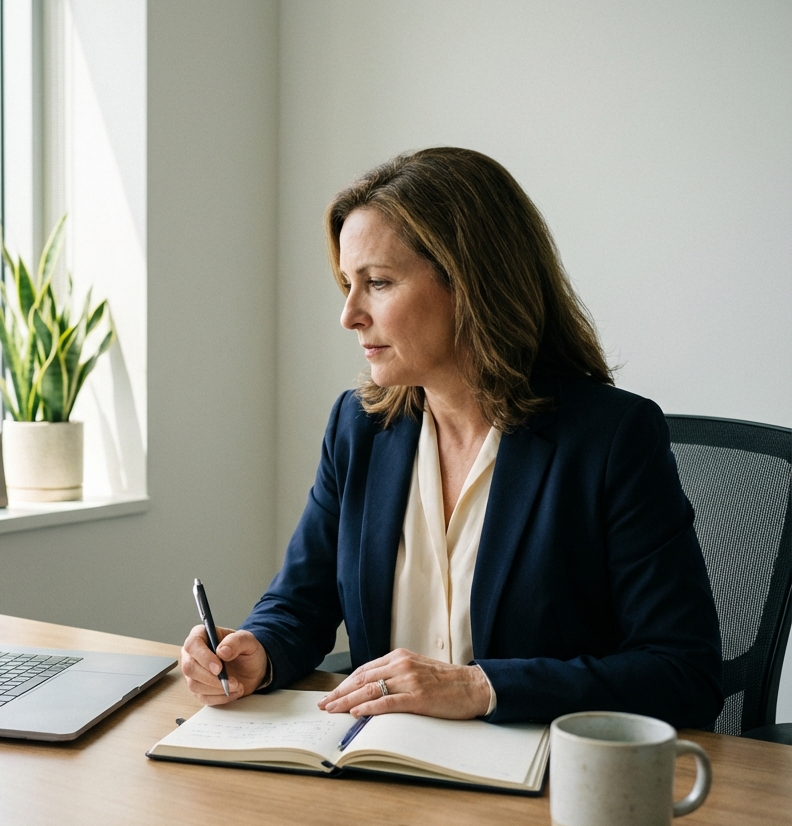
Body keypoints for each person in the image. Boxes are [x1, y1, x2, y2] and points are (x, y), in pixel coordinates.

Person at [181, 148, 723, 729]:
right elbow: (301, 602)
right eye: (347, 284)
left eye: (379, 283)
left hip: (538, 785)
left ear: (470, 282)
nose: (350, 315)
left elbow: (682, 672)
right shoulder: (359, 428)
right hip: (379, 768)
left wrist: (479, 687)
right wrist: (258, 652)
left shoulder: (612, 440)